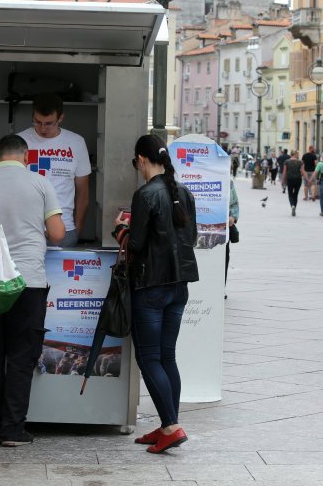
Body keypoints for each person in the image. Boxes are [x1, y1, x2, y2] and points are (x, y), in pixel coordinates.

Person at [0, 135, 65, 447]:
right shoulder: (40, 184)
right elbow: (57, 234)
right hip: (28, 282)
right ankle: (12, 429)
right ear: (25, 156)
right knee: (21, 356)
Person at [112, 134, 198, 455]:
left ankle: (172, 428)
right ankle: (167, 425)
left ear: (143, 160)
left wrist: (120, 227)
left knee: (149, 359)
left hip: (150, 288)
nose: (137, 168)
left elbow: (134, 245)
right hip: (179, 287)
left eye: (137, 163)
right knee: (166, 356)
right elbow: (191, 236)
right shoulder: (184, 193)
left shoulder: (145, 194)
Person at [18, 93, 90, 247]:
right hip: (26, 230)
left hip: (65, 229)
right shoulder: (19, 142)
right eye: (37, 122)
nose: (43, 128)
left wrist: (78, 229)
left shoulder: (76, 142)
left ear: (60, 118)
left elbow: (83, 192)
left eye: (49, 123)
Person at [224, 179, 239, 300]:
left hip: (222, 226)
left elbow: (234, 202)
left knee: (223, 257)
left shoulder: (226, 180)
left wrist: (233, 216)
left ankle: (220, 286)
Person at [282, 150, 304, 216]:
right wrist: (308, 179)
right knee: (296, 194)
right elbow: (303, 171)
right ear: (295, 154)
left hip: (290, 179)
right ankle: (294, 206)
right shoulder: (300, 162)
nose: (298, 155)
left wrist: (283, 180)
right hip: (298, 179)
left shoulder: (286, 162)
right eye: (297, 154)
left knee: (290, 194)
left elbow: (284, 172)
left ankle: (292, 205)